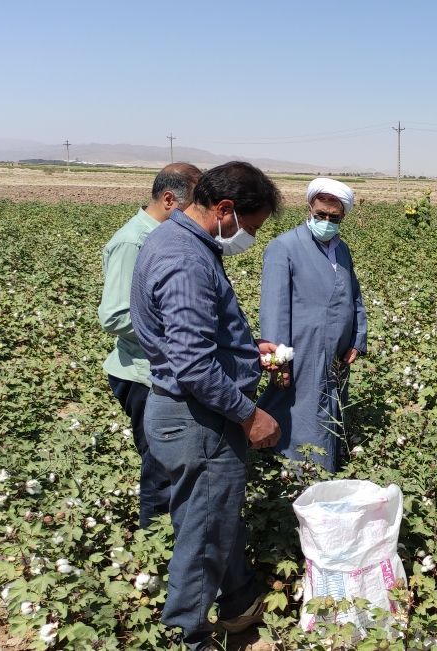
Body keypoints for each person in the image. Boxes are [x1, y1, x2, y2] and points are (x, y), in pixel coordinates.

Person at [130, 161, 283, 649]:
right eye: (251, 226)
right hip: (200, 421)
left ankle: (237, 603)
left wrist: (243, 349)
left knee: (209, 519)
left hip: (190, 414)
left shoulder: (175, 241)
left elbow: (197, 339)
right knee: (202, 542)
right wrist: (250, 413)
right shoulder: (186, 260)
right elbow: (194, 366)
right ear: (224, 209)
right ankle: (186, 637)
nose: (249, 237)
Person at [98, 163, 201, 529]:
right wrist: (177, 334)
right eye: (195, 206)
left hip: (162, 370)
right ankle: (153, 542)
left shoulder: (168, 238)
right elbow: (114, 315)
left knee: (169, 460)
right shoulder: (134, 241)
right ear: (170, 200)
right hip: (142, 374)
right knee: (159, 465)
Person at [258, 178, 367, 470]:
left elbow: (353, 295)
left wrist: (357, 338)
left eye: (334, 217)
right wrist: (278, 359)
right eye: (321, 215)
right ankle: (297, 470)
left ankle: (326, 462)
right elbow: (274, 306)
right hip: (301, 349)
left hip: (337, 349)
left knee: (329, 405)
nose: (327, 222)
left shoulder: (342, 250)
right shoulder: (284, 248)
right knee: (300, 407)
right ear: (309, 208)